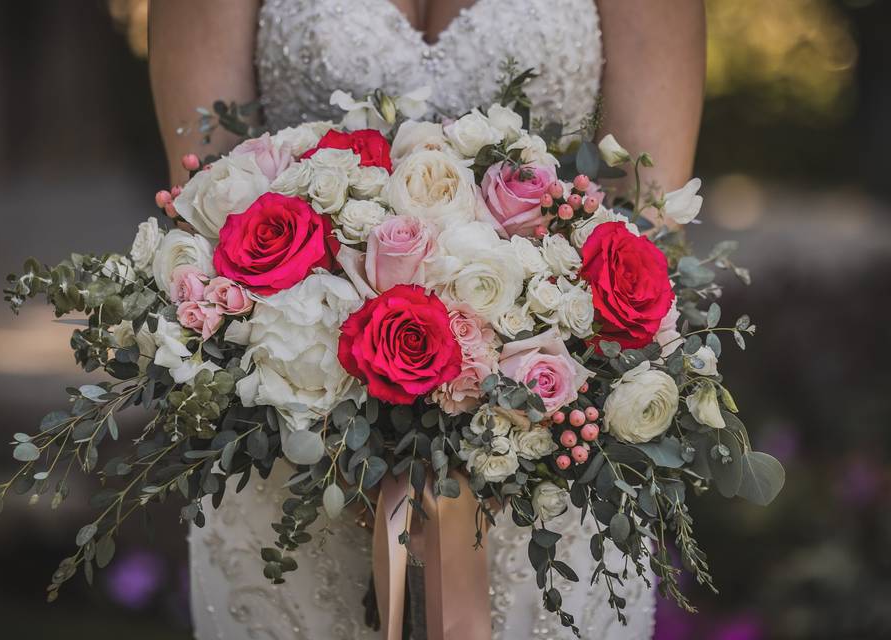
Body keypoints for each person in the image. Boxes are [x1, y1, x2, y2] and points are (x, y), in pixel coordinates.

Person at [149, 1, 705, 638]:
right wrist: (347, 436)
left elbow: (649, 226)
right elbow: (204, 206)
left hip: (548, 458)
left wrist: (509, 437)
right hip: (290, 438)